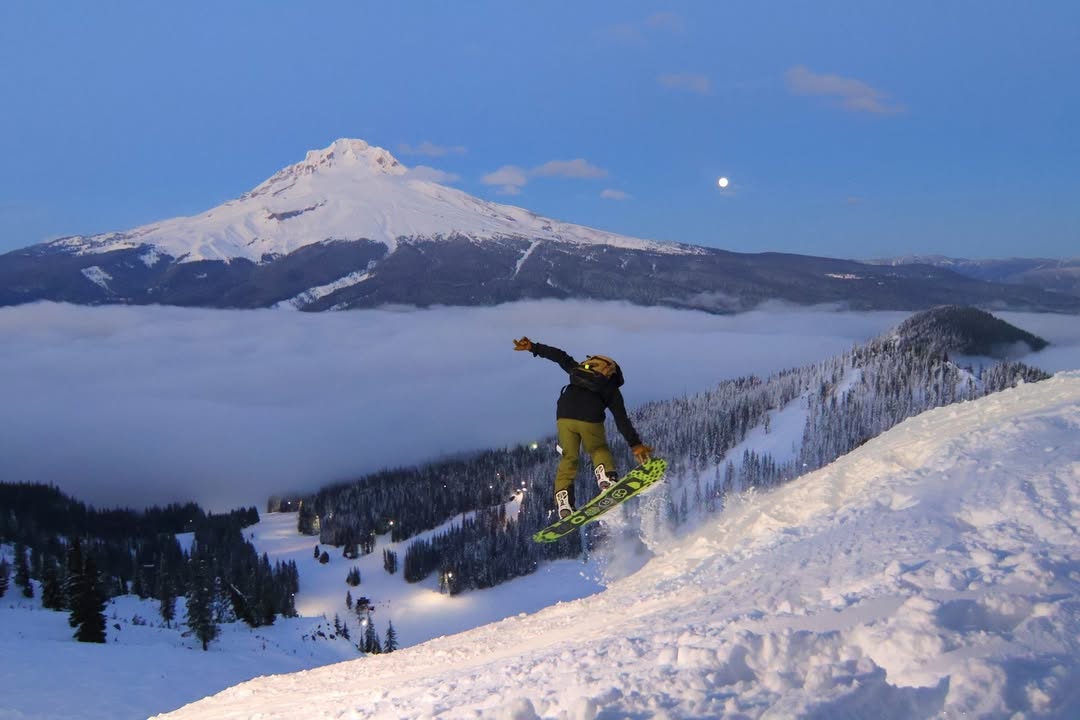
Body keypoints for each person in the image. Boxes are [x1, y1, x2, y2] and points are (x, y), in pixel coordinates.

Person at [514, 337, 653, 519]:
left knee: (569, 458)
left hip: (564, 414)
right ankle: (606, 478)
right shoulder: (610, 388)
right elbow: (621, 420)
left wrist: (533, 347)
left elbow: (560, 356)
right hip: (589, 416)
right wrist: (636, 445)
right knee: (597, 448)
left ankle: (563, 503)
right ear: (613, 374)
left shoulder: (578, 371)